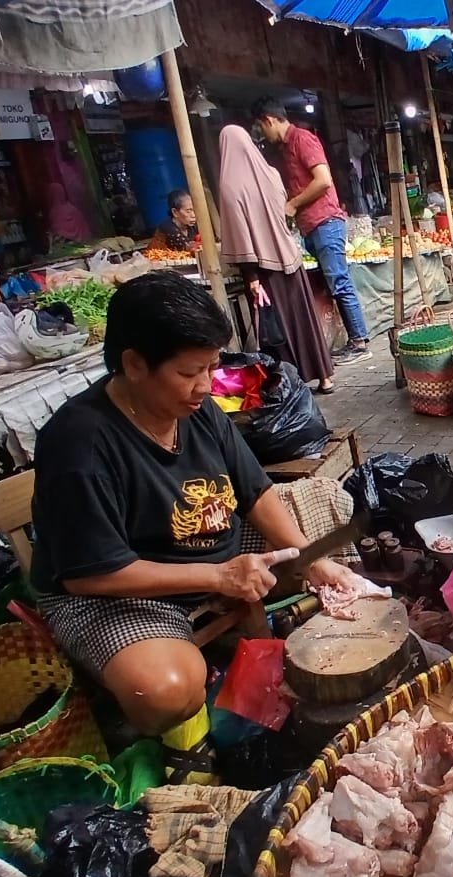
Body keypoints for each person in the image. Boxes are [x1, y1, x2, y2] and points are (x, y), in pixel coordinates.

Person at [29, 272, 357, 774]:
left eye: (211, 367)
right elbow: (88, 573)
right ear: (134, 364)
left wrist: (310, 561)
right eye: (189, 372)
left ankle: (272, 610)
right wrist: (218, 577)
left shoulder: (198, 408)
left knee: (329, 500)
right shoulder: (79, 444)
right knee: (164, 689)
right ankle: (191, 738)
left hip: (204, 538)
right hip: (120, 584)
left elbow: (255, 492)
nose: (206, 385)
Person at [252, 98, 372, 365]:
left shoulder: (302, 139)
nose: (264, 134)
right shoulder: (285, 148)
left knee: (339, 282)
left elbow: (323, 181)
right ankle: (354, 340)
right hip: (313, 226)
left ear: (269, 120)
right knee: (334, 283)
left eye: (262, 127)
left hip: (326, 222)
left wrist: (293, 204)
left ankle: (360, 342)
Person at [217, 125, 335, 394]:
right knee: (304, 321)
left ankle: (289, 383)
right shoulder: (271, 174)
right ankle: (324, 377)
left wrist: (252, 277)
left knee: (278, 328)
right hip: (290, 259)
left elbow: (241, 233)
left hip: (263, 269)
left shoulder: (230, 186)